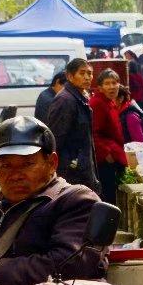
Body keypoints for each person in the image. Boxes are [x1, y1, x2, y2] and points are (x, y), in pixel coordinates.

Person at [0, 116, 106, 285]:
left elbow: (71, 265)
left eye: (27, 164)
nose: (16, 175)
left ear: (52, 163)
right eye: (6, 165)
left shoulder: (76, 201)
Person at [42, 58, 99, 190]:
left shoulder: (80, 97)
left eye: (89, 73)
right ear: (70, 76)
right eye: (82, 73)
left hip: (83, 169)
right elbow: (56, 139)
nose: (87, 77)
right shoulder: (65, 100)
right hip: (71, 172)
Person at [89, 69, 131, 204]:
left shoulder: (110, 102)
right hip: (106, 160)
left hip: (114, 154)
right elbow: (94, 133)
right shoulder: (97, 103)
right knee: (108, 197)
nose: (112, 86)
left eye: (114, 82)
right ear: (100, 87)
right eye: (107, 83)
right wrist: (107, 154)